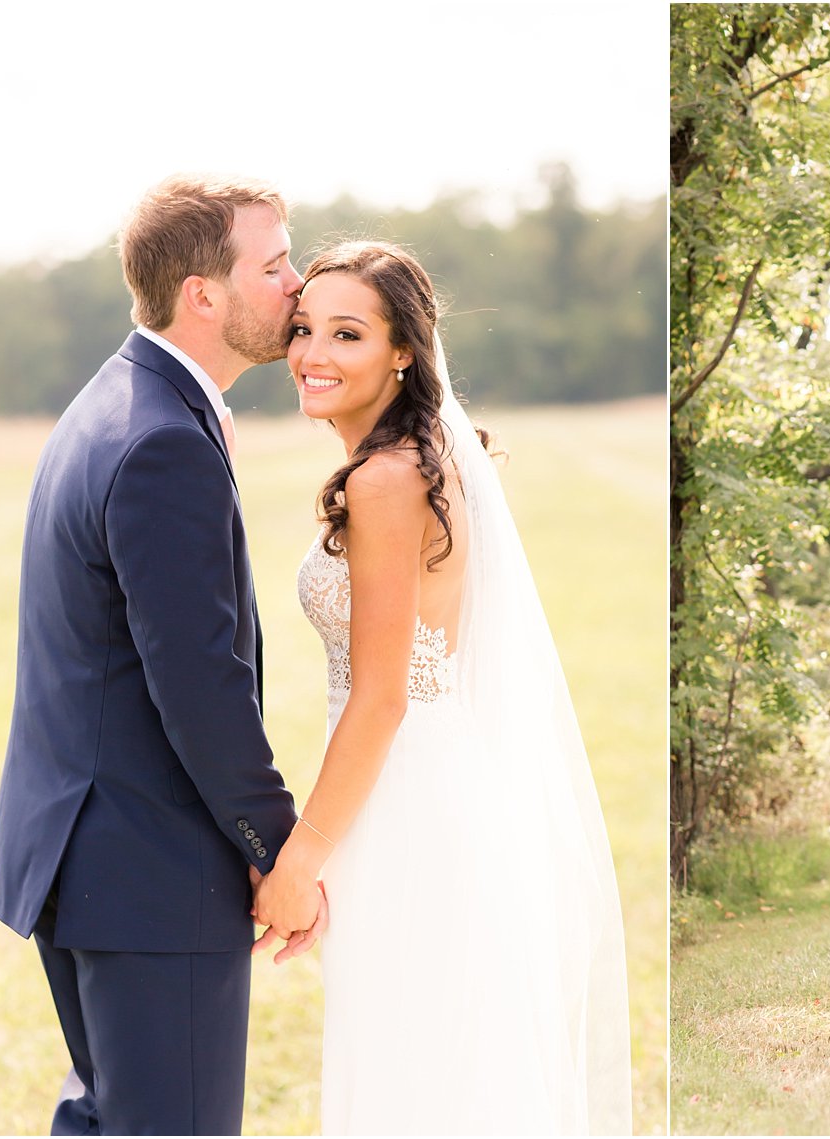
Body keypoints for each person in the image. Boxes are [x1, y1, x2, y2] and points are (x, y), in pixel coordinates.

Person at [251, 240, 631, 1134]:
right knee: (440, 1060)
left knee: (416, 1069)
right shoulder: (423, 461)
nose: (311, 353)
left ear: (403, 352)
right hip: (433, 780)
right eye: (303, 329)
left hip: (408, 797)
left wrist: (299, 861)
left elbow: (383, 696)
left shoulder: (387, 481)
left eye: (347, 333)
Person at [0, 175, 325, 1135]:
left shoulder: (110, 403)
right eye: (273, 265)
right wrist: (278, 847)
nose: (295, 285)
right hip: (149, 873)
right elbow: (199, 683)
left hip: (85, 858)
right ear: (203, 294)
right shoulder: (162, 439)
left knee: (109, 1120)